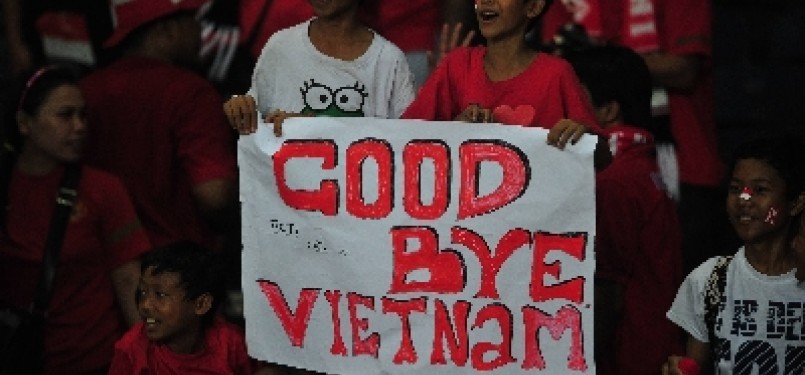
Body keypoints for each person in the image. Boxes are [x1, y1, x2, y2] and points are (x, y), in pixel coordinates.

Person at [540, 0, 727, 275]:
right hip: (591, 164)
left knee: (679, 286)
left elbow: (684, 69)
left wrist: (599, 56)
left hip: (683, 160)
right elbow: (556, 62)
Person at [0, 66, 151, 374]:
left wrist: (146, 360)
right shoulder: (6, 186)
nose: (79, 126)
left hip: (92, 361)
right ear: (24, 123)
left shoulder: (102, 190)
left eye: (83, 115)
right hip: (17, 357)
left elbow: (130, 283)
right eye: (65, 115)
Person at [80, 0, 238, 250]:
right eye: (193, 22)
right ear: (167, 31)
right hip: (177, 268)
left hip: (101, 264)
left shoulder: (87, 91)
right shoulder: (191, 93)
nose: (200, 32)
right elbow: (214, 194)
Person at [565, 45, 683, 375]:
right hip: (653, 350)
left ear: (607, 110)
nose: (566, 109)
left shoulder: (614, 181)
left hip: (627, 358)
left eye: (576, 97)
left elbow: (608, 293)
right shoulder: (644, 168)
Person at [662, 133, 805, 375]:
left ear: (795, 203)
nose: (744, 199)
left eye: (760, 190)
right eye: (736, 188)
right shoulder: (709, 281)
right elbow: (695, 366)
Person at [401, 0, 601, 150]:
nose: (486, 1)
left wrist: (581, 134)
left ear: (533, 7)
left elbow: (601, 156)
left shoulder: (557, 73)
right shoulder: (456, 64)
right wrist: (456, 128)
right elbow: (404, 137)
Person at [224, 0, 416, 136]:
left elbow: (406, 141)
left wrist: (309, 129)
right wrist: (240, 107)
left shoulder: (389, 60)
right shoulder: (280, 48)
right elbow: (253, 118)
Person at [108, 241, 278, 374]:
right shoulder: (132, 351)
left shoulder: (231, 345)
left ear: (201, 304)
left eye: (160, 295)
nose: (145, 305)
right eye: (143, 293)